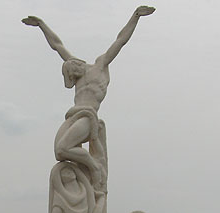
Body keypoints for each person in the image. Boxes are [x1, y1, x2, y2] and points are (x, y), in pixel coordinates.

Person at [22, 5, 155, 193]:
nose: (72, 73)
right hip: (74, 115)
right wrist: (41, 25)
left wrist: (136, 17)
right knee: (58, 152)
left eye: (71, 69)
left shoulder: (100, 66)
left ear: (76, 65)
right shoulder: (79, 71)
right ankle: (86, 170)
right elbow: (57, 46)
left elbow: (120, 41)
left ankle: (93, 166)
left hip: (88, 116)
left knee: (63, 148)